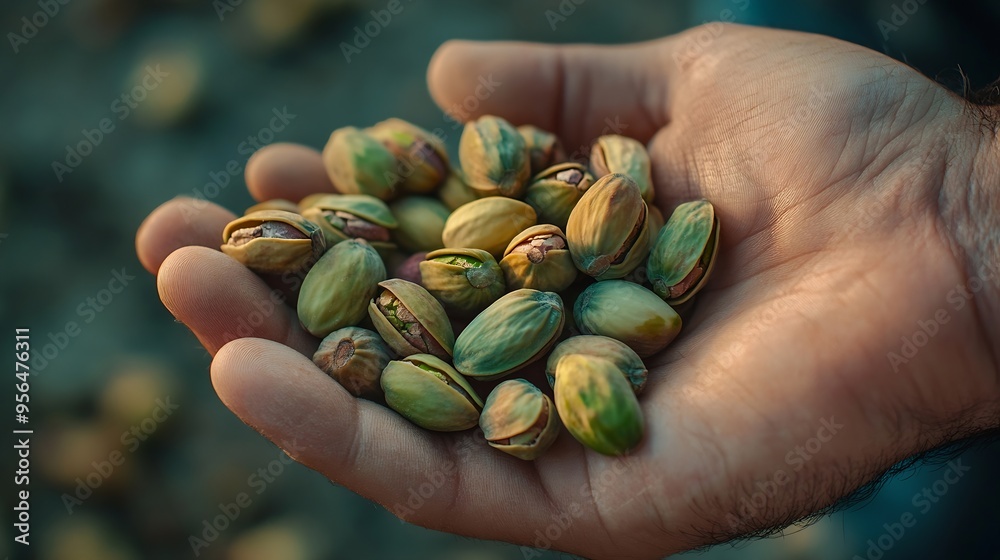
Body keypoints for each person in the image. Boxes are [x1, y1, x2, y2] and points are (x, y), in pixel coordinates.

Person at [136, 24, 999, 558]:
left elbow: (547, 287)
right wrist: (957, 211)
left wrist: (961, 217)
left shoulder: (577, 272)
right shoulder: (451, 261)